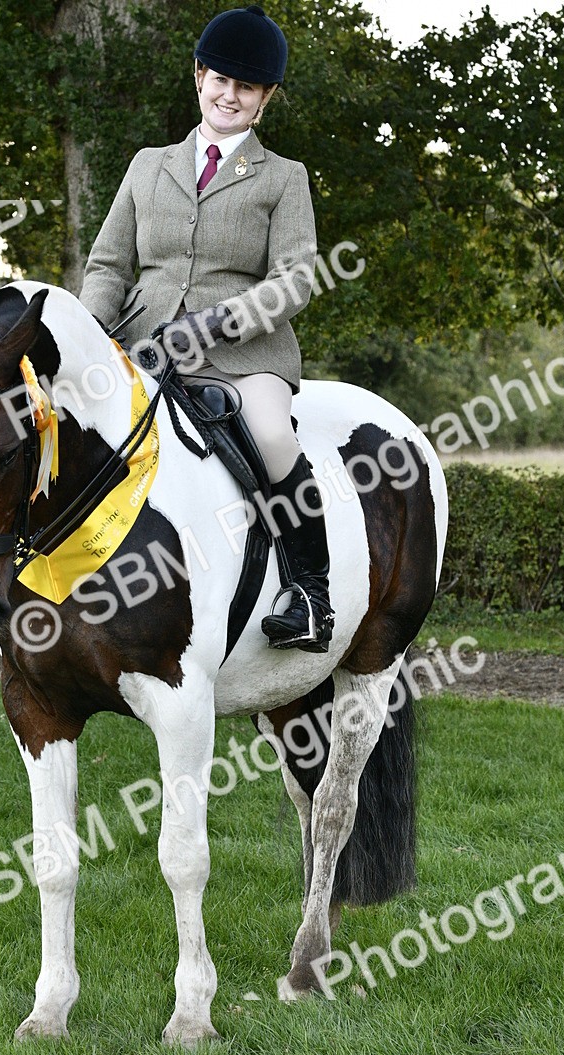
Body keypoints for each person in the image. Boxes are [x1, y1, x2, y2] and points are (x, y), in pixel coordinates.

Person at [79, 4, 334, 652]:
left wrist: (221, 322)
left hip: (245, 354)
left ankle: (310, 593)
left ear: (265, 97)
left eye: (246, 86)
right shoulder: (147, 165)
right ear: (199, 77)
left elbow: (296, 278)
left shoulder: (284, 178)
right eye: (221, 79)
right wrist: (86, 332)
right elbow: (109, 264)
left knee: (274, 436)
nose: (230, 94)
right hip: (144, 343)